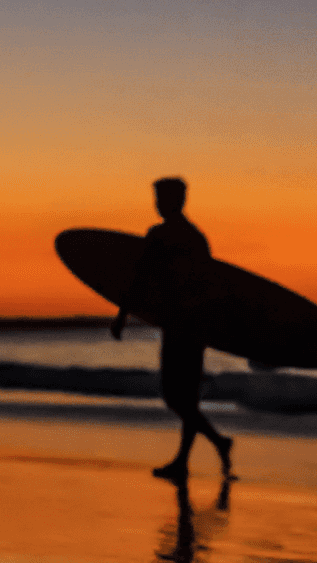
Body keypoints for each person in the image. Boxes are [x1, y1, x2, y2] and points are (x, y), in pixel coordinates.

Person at [110, 177, 233, 481]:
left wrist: (122, 314)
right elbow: (211, 285)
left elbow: (138, 279)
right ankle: (205, 449)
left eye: (160, 198)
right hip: (194, 325)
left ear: (175, 201)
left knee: (175, 396)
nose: (157, 204)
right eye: (156, 198)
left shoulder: (160, 235)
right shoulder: (196, 237)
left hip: (180, 325)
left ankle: (198, 453)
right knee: (184, 397)